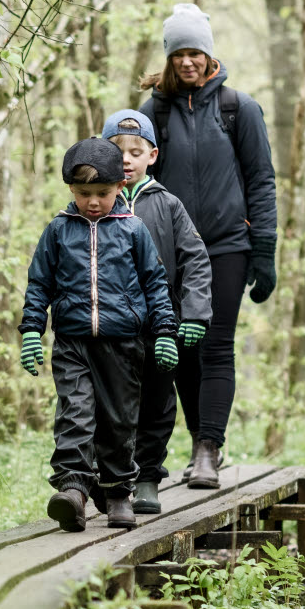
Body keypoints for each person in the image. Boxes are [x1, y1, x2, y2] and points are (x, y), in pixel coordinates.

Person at [138, 3, 278, 489]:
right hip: (168, 253)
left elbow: (261, 180)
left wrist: (265, 248)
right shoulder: (152, 112)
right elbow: (133, 179)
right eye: (179, 54)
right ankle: (201, 438)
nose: (188, 62)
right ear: (170, 57)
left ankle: (207, 449)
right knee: (179, 346)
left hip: (226, 247)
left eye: (195, 52)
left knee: (216, 346)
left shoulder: (239, 108)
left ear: (208, 54)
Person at [19, 138, 179, 531]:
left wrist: (164, 332)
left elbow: (155, 283)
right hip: (72, 342)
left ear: (120, 188)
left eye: (102, 193)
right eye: (84, 194)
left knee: (118, 420)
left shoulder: (133, 230)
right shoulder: (58, 231)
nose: (93, 202)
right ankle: (73, 489)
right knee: (74, 414)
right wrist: (30, 331)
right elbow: (39, 284)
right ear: (71, 190)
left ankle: (117, 492)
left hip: (123, 344)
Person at [100, 109, 211, 513]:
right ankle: (113, 479)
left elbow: (195, 260)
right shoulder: (94, 204)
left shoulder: (169, 205)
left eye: (136, 151)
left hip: (162, 328)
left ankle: (148, 477)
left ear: (153, 155)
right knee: (111, 407)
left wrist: (195, 313)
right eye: (117, 150)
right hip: (109, 331)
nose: (126, 158)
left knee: (157, 405)